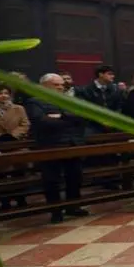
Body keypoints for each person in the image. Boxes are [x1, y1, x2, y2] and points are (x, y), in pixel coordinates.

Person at [24, 73, 88, 223]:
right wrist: (67, 118)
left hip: (73, 143)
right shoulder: (35, 101)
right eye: (56, 85)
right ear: (44, 86)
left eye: (61, 85)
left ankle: (73, 206)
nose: (60, 87)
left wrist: (60, 116)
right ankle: (56, 211)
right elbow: (42, 122)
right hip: (51, 145)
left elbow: (81, 117)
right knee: (52, 180)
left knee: (75, 177)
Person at [76, 64, 121, 134]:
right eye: (110, 74)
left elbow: (118, 107)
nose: (113, 76)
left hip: (113, 125)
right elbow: (86, 110)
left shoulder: (115, 90)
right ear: (101, 74)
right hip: (93, 125)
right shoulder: (85, 90)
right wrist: (101, 121)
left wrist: (111, 121)